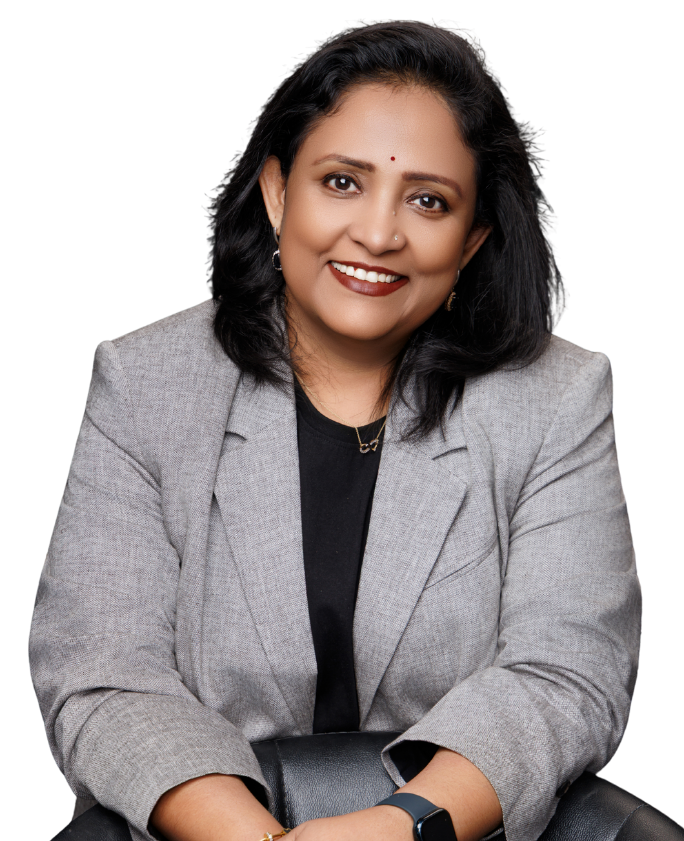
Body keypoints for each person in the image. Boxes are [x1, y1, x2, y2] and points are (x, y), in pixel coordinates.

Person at [28, 18, 642, 841]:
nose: (379, 233)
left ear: (471, 241)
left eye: (428, 200)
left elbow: (567, 674)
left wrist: (398, 828)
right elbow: (103, 676)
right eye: (343, 182)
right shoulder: (145, 383)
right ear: (278, 193)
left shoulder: (557, 396)